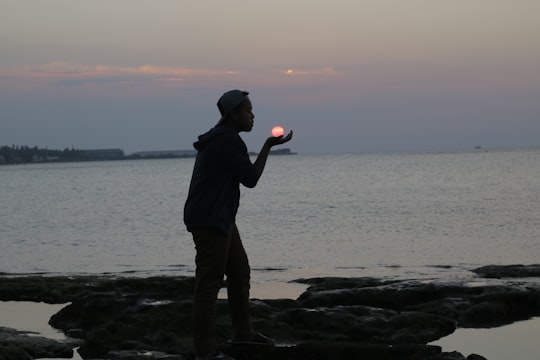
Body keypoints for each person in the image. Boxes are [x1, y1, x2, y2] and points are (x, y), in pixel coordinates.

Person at [183, 90, 293, 360]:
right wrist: (267, 146)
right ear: (233, 115)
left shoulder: (222, 138)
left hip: (220, 217)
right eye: (248, 111)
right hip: (211, 219)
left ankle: (243, 334)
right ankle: (204, 352)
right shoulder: (228, 141)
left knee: (239, 272)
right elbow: (251, 179)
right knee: (209, 285)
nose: (252, 116)